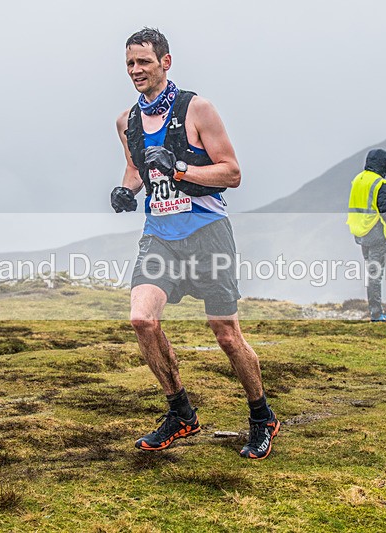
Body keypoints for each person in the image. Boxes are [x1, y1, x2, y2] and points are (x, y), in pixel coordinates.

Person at [111, 27, 279, 459]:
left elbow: (232, 173)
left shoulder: (197, 110)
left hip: (208, 234)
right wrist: (126, 191)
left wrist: (181, 169)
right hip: (160, 237)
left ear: (165, 62)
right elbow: (136, 169)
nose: (136, 70)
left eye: (143, 62)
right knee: (142, 321)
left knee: (225, 333)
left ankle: (262, 417)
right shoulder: (126, 120)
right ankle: (181, 413)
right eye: (130, 63)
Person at [346, 148, 386, 323]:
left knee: (371, 274)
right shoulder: (380, 184)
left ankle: (375, 312)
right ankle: (377, 314)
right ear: (380, 164)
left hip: (361, 234)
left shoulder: (358, 179)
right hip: (377, 235)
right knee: (375, 275)